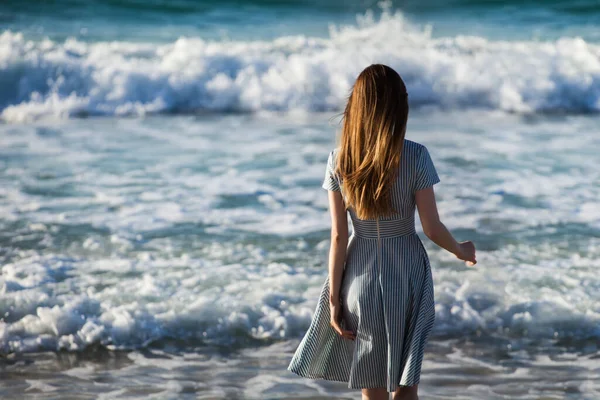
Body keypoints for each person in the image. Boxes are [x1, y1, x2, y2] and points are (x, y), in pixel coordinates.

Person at [287, 64, 477, 400]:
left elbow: (337, 237)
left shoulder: (339, 160)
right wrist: (460, 250)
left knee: (371, 390)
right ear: (399, 107)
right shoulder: (416, 155)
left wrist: (334, 300)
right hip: (406, 275)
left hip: (358, 279)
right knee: (406, 387)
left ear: (356, 107)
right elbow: (431, 228)